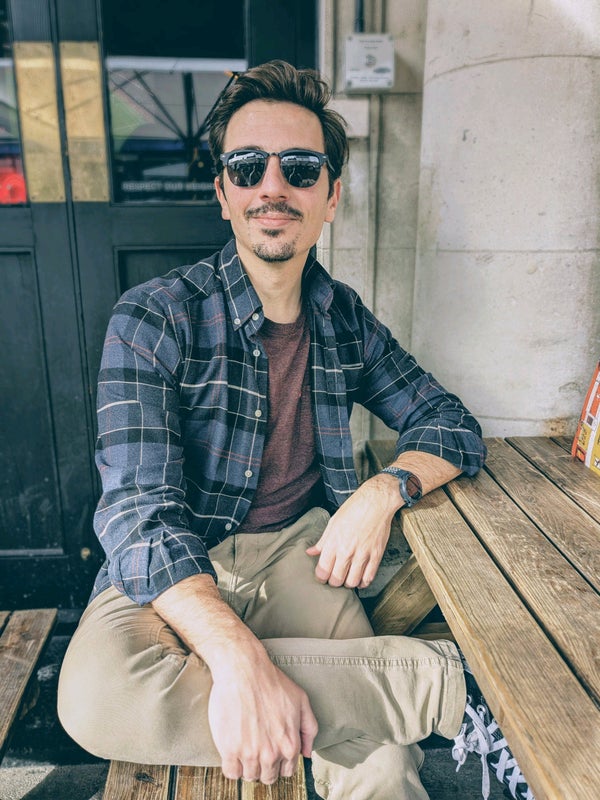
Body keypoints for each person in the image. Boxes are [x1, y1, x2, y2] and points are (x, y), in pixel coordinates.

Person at [57, 60, 533, 800]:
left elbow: (449, 423)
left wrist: (383, 491)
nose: (272, 186)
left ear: (331, 196)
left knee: (382, 772)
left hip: (300, 555)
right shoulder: (154, 315)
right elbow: (139, 514)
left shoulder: (343, 320)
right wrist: (240, 663)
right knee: (97, 695)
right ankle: (459, 693)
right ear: (223, 192)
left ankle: (391, 695)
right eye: (248, 167)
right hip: (176, 565)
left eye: (301, 168)